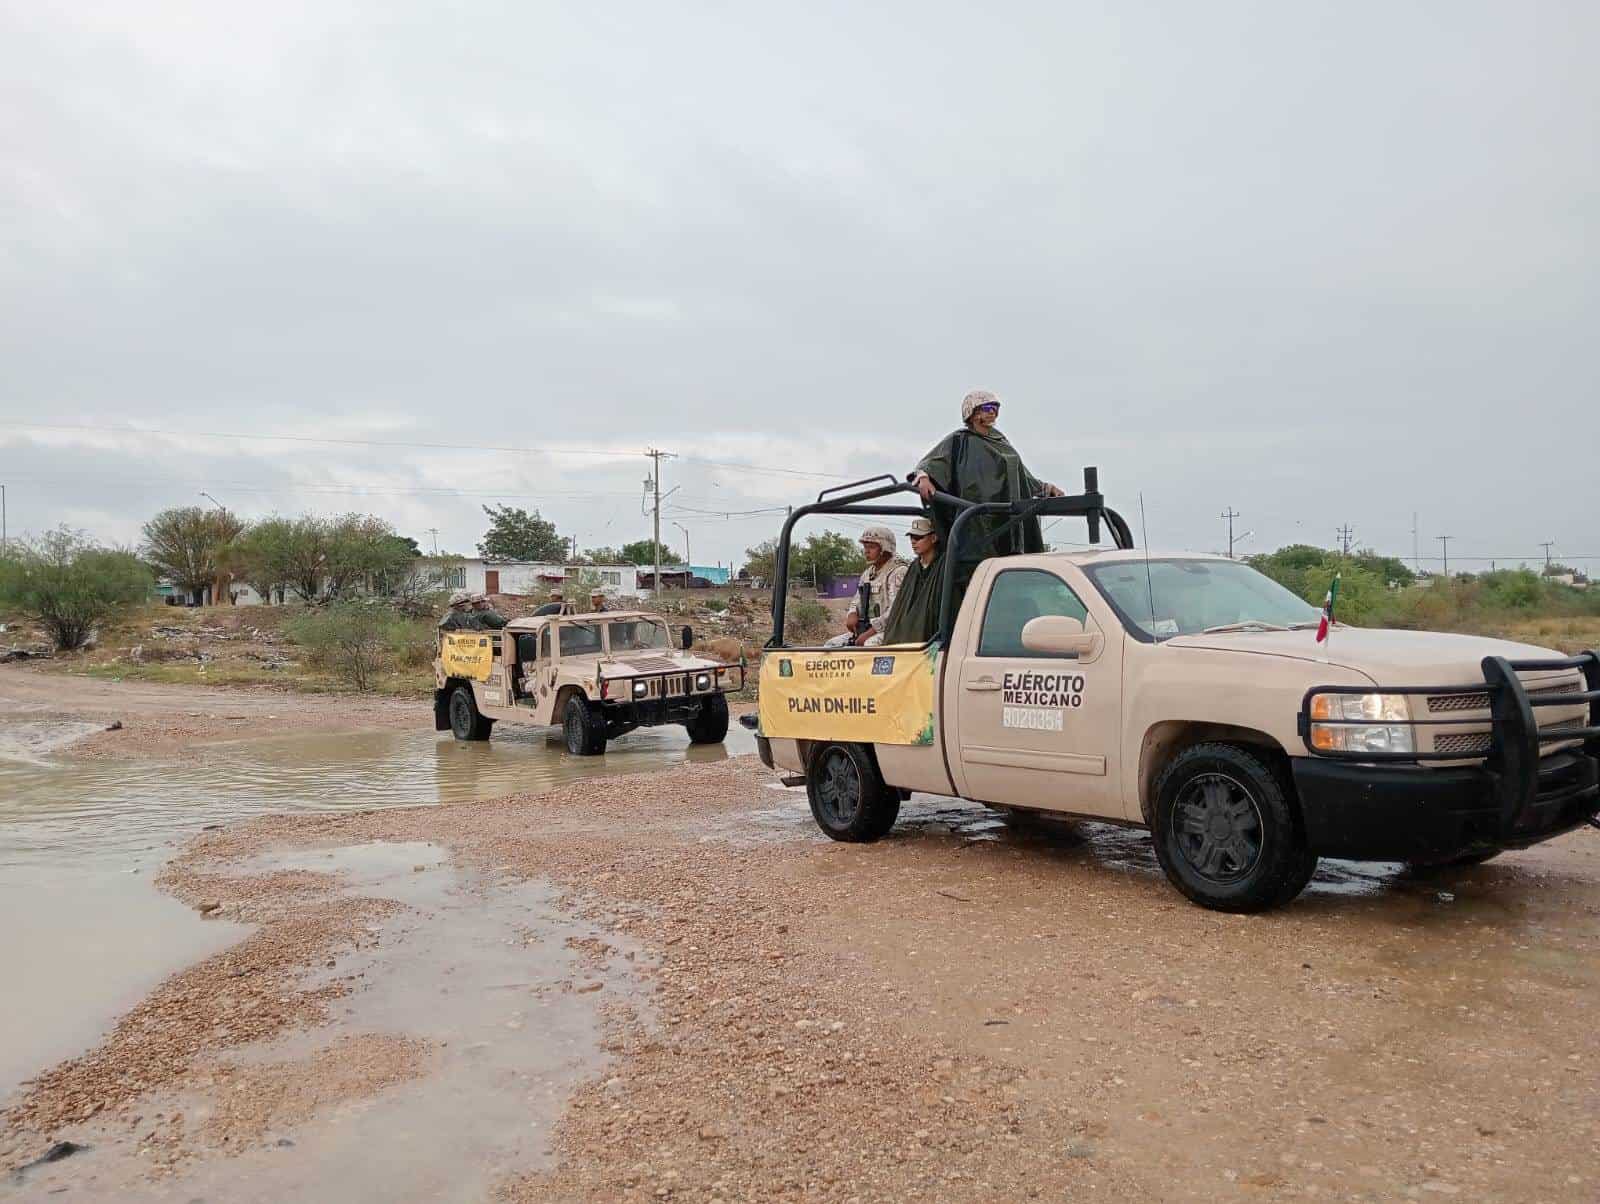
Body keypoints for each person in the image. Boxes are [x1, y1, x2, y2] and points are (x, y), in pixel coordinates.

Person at [910, 390, 1063, 604]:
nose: (994, 414)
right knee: (978, 575)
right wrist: (924, 476)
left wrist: (1045, 488)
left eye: (996, 409)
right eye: (988, 409)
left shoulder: (1002, 442)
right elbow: (932, 463)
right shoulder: (959, 441)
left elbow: (1021, 477)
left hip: (1007, 517)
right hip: (976, 519)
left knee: (1010, 570)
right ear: (973, 413)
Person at [824, 526, 906, 647]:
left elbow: (896, 611)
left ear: (886, 548)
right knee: (831, 645)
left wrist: (870, 633)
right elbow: (856, 601)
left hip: (890, 630)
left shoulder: (898, 572)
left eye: (872, 547)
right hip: (867, 629)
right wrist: (852, 614)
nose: (866, 551)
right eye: (865, 547)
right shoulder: (868, 574)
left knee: (868, 645)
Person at [880, 517, 944, 646]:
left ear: (933, 538)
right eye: (912, 538)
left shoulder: (943, 565)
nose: (913, 542)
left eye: (919, 537)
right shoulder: (914, 567)